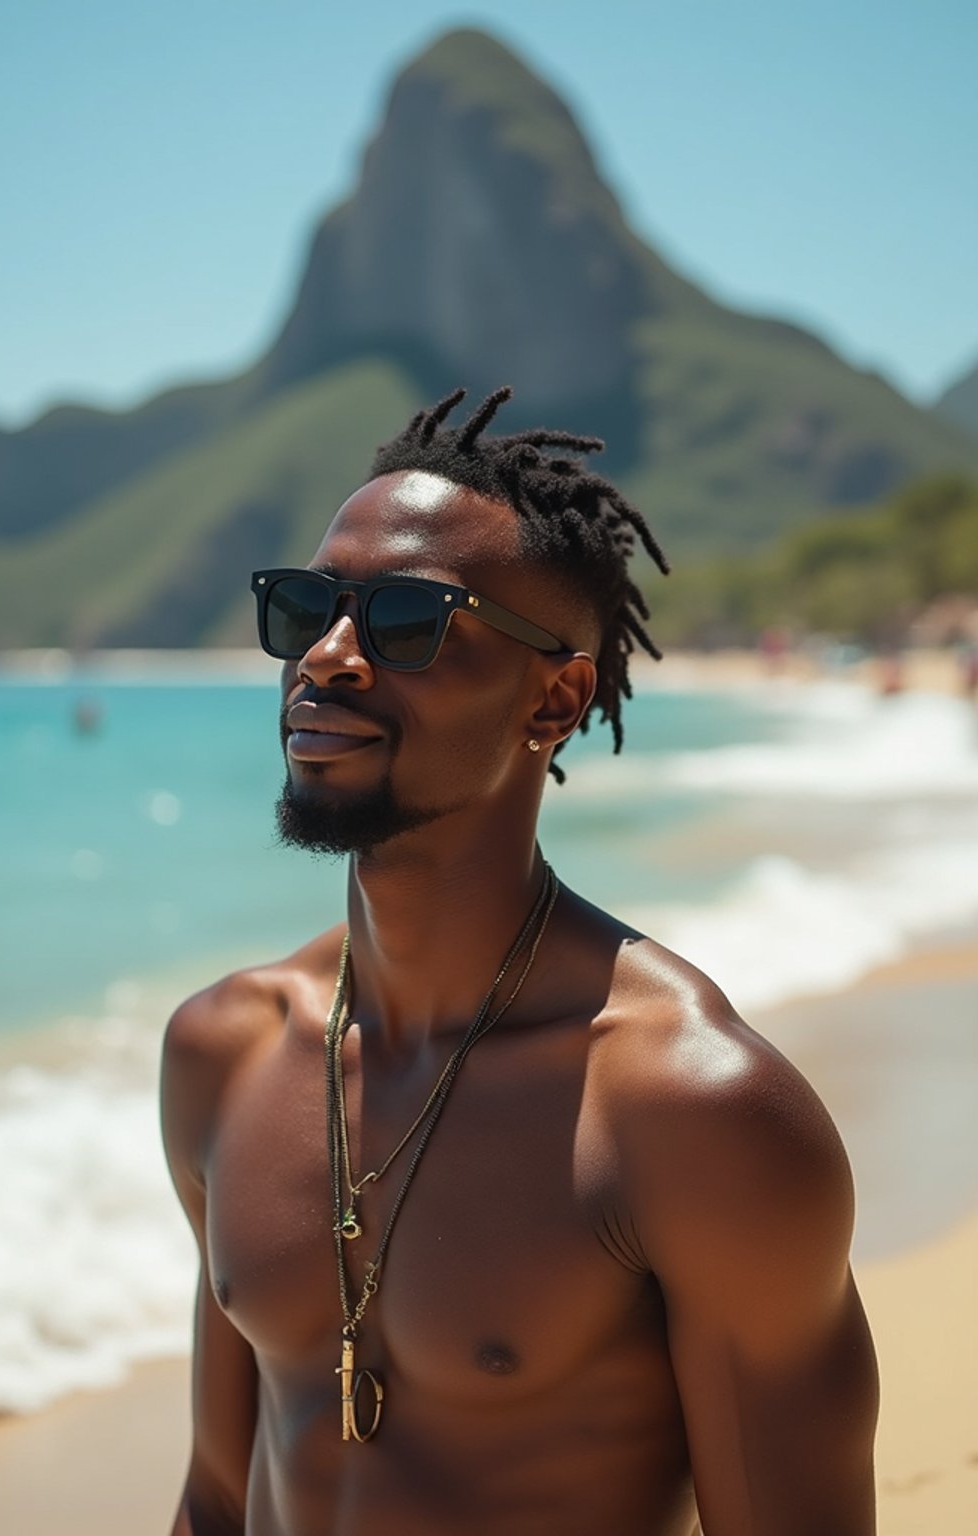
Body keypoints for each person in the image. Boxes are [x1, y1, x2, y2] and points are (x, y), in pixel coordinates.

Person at [161, 387, 878, 1536]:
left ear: (555, 696)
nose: (329, 659)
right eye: (306, 610)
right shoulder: (224, 1054)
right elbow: (212, 1494)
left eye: (406, 623)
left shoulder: (689, 1113)